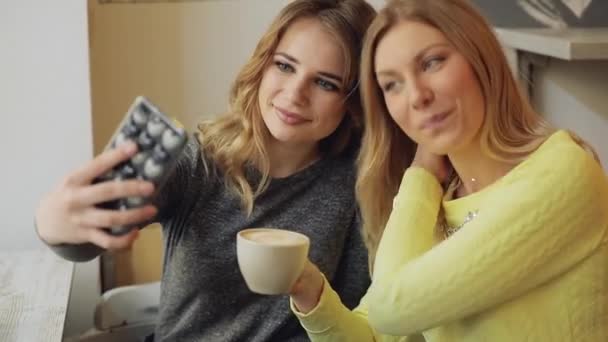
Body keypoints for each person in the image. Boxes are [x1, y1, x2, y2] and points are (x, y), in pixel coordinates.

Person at [34, 1, 376, 341]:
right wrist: (52, 223)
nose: (296, 93)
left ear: (354, 102)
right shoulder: (197, 163)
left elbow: (351, 324)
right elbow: (83, 242)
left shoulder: (357, 185)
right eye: (285, 66)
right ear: (262, 66)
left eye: (326, 83)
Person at [288, 0, 608, 341]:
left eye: (432, 62)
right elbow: (374, 334)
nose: (417, 96)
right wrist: (309, 291)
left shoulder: (564, 172)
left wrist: (420, 173)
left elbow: (388, 310)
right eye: (392, 84)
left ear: (479, 57)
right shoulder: (434, 205)